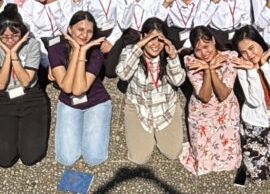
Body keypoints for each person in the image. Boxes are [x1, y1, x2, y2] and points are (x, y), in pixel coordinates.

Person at [0, 4, 50, 168]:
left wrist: (13, 53)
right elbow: (0, 84)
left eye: (14, 36)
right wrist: (8, 54)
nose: (10, 40)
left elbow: (25, 81)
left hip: (31, 97)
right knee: (3, 158)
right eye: (5, 37)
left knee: (30, 157)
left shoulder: (32, 45)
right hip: (6, 98)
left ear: (21, 32)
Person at [117, 18, 186, 164]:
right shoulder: (130, 51)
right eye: (151, 38)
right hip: (140, 107)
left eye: (160, 39)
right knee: (138, 158)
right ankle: (146, 135)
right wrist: (139, 46)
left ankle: (159, 133)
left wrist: (173, 57)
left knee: (173, 152)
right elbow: (122, 74)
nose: (155, 44)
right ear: (143, 36)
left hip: (165, 108)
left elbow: (178, 81)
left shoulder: (168, 52)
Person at [230, 26, 270, 184]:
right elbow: (254, 100)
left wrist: (264, 65)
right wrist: (252, 71)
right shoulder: (243, 68)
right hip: (254, 118)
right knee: (256, 173)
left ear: (260, 42)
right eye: (243, 52)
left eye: (251, 48)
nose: (249, 55)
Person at [49, 11, 111, 167]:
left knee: (94, 158)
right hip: (69, 102)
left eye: (89, 31)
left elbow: (79, 90)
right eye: (80, 29)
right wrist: (77, 51)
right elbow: (66, 87)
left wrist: (82, 51)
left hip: (96, 101)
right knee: (66, 158)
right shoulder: (56, 50)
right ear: (70, 29)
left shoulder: (96, 54)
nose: (85, 35)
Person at [179, 27, 242, 175]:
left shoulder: (230, 56)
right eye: (198, 50)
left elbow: (223, 94)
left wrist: (211, 69)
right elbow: (205, 96)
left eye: (206, 47)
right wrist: (208, 70)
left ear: (213, 40)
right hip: (202, 112)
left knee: (230, 157)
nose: (204, 53)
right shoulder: (191, 60)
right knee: (204, 161)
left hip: (226, 110)